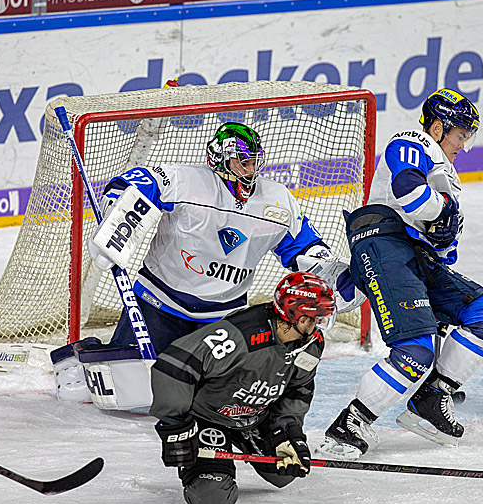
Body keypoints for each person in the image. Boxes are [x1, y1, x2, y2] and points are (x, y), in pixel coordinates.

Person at [315, 89, 483, 461]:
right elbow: (409, 192)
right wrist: (444, 213)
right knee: (416, 350)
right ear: (437, 128)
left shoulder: (447, 174)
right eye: (460, 135)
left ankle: (432, 399)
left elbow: (446, 250)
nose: (463, 145)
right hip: (385, 244)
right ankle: (350, 425)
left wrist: (444, 234)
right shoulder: (412, 142)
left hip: (417, 258)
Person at [86, 117, 359, 357]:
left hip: (224, 317)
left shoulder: (277, 201)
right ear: (220, 159)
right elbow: (137, 182)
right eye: (243, 162)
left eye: (253, 163)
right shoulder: (185, 181)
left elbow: (304, 248)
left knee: (218, 390)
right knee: (127, 375)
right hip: (158, 303)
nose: (250, 170)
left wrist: (338, 279)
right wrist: (117, 220)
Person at [150, 271, 334, 504]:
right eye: (315, 318)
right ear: (295, 315)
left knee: (283, 474)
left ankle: (246, 440)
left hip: (254, 416)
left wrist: (287, 432)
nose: (318, 325)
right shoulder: (240, 334)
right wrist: (176, 426)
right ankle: (204, 464)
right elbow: (175, 365)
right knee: (212, 499)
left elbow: (298, 389)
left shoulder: (311, 344)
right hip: (208, 417)